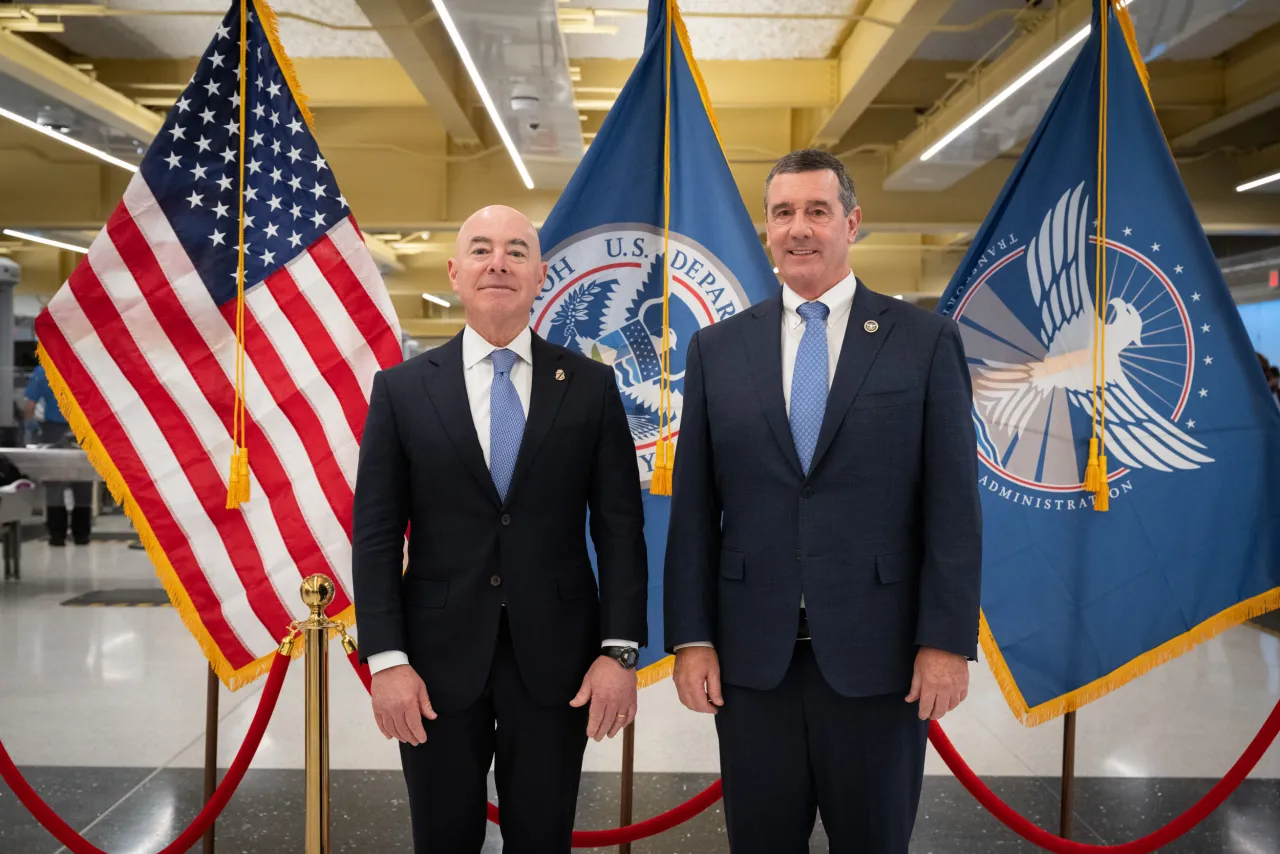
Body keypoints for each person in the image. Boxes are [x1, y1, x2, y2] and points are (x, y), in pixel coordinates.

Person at [664, 149, 983, 853]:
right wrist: (692, 637)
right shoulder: (717, 349)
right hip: (753, 664)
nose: (799, 228)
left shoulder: (924, 342)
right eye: (783, 213)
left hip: (882, 661)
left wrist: (946, 641)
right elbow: (693, 511)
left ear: (852, 222)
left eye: (817, 210)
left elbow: (953, 507)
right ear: (767, 230)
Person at [352, 205, 648, 853]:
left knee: (542, 840)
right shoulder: (401, 391)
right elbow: (375, 535)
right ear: (455, 273)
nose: (499, 262)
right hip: (432, 664)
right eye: (481, 249)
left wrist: (619, 652)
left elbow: (622, 529)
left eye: (517, 251)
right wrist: (386, 659)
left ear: (540, 274)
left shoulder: (591, 388)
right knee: (442, 839)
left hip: (559, 663)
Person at [23, 363, 94, 547]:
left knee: (54, 484)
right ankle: (82, 535)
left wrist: (30, 427)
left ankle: (57, 535)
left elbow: (30, 405)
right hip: (82, 429)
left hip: (53, 431)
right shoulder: (84, 367)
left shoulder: (43, 370)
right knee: (83, 482)